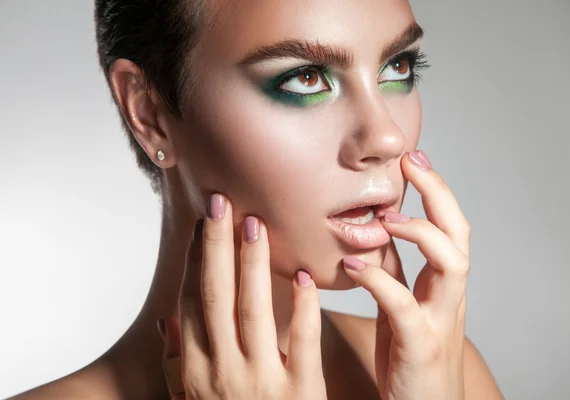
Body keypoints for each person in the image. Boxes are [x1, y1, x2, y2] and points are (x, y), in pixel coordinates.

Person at [13, 0, 503, 398]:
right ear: (149, 113)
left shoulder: (445, 378)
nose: (386, 138)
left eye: (397, 67)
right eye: (306, 78)